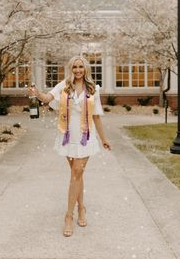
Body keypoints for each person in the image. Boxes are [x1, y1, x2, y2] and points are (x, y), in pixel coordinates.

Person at [28, 56, 112, 237]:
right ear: (71, 68)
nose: (78, 70)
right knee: (77, 174)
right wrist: (36, 93)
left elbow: (96, 116)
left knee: (76, 172)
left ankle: (68, 216)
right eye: (75, 67)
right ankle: (81, 207)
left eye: (81, 67)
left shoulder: (93, 89)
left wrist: (103, 138)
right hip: (67, 135)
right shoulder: (64, 86)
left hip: (86, 136)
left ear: (86, 68)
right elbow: (46, 98)